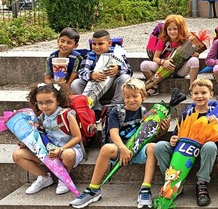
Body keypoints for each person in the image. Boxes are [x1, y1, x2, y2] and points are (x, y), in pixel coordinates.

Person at [69, 78, 169, 208]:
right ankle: (93, 189)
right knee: (106, 148)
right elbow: (113, 132)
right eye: (127, 97)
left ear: (143, 96)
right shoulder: (116, 111)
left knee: (152, 147)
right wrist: (122, 148)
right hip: (119, 149)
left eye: (135, 96)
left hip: (137, 151)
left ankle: (145, 189)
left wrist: (162, 130)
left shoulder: (148, 114)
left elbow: (148, 137)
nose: (131, 100)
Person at [153, 78, 218, 206]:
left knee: (210, 146)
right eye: (196, 93)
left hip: (203, 154)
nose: (199, 96)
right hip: (182, 152)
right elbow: (176, 134)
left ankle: (202, 184)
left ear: (211, 94)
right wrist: (173, 139)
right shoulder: (186, 114)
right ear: (191, 95)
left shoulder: (217, 114)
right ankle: (172, 182)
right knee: (160, 146)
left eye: (203, 93)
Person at [13, 83, 84, 195]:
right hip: (48, 152)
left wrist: (60, 149)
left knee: (68, 154)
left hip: (67, 149)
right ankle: (44, 177)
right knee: (18, 155)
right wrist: (25, 143)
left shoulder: (67, 115)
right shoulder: (41, 118)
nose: (44, 106)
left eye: (48, 102)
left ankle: (64, 178)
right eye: (40, 103)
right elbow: (37, 136)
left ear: (58, 100)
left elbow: (77, 137)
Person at [70, 30, 132, 109]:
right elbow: (81, 72)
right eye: (94, 44)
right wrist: (91, 75)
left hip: (112, 89)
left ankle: (115, 106)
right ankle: (95, 108)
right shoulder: (90, 55)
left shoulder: (117, 54)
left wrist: (118, 70)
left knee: (125, 78)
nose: (97, 47)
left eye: (100, 44)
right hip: (93, 89)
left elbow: (129, 71)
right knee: (76, 83)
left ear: (109, 43)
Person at [140, 14, 200, 96]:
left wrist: (194, 55)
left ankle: (192, 88)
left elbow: (190, 56)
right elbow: (155, 58)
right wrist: (163, 62)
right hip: (163, 69)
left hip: (179, 70)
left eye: (175, 29)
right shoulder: (163, 40)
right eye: (169, 29)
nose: (172, 32)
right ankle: (154, 86)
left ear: (181, 29)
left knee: (195, 61)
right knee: (144, 65)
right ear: (166, 29)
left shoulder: (187, 40)